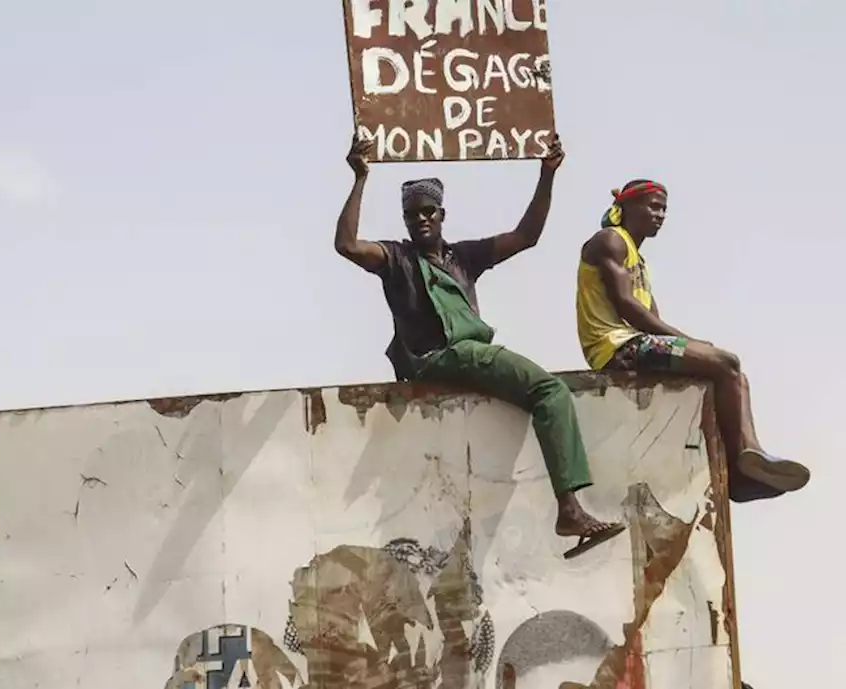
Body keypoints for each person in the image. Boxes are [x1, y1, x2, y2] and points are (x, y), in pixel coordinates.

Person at [333, 132, 624, 559]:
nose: (421, 219)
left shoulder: (462, 258)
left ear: (442, 213)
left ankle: (570, 509)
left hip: (465, 359)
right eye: (412, 214)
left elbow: (526, 236)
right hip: (442, 357)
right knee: (550, 391)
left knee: (540, 390)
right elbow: (347, 245)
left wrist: (546, 174)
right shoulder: (396, 258)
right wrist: (359, 178)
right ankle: (569, 510)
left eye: (428, 211)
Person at [575, 179, 811, 503]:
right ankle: (747, 457)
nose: (660, 215)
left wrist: (697, 348)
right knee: (725, 362)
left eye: (663, 209)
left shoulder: (638, 260)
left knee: (732, 375)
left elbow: (651, 317)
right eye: (653, 206)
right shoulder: (610, 242)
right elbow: (627, 307)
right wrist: (695, 345)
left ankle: (740, 466)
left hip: (634, 342)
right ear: (626, 207)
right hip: (616, 347)